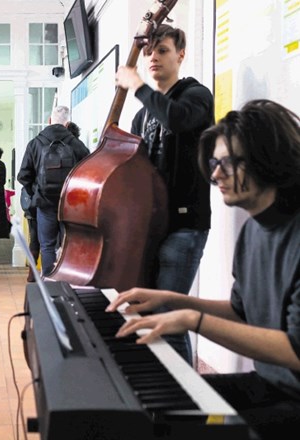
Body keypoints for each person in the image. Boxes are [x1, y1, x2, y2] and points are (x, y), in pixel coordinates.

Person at [106, 99, 300, 440]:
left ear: (267, 159)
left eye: (228, 163)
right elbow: (242, 314)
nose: (214, 174)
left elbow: (295, 351)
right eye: (214, 163)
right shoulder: (253, 229)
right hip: (271, 385)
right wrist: (174, 301)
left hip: (292, 398)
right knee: (155, 407)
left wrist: (193, 321)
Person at [115, 24, 215, 364]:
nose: (153, 57)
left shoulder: (196, 96)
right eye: (149, 52)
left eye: (162, 50)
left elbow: (176, 120)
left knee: (169, 319)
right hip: (151, 227)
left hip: (185, 226)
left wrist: (137, 86)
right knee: (151, 318)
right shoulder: (142, 115)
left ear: (181, 55)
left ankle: (185, 406)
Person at [17, 105, 90, 277]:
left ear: (49, 121)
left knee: (47, 245)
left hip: (45, 202)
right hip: (70, 204)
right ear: (67, 124)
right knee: (69, 244)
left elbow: (23, 175)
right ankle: (67, 282)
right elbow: (88, 172)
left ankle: (49, 284)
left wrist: (35, 192)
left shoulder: (35, 143)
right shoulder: (76, 144)